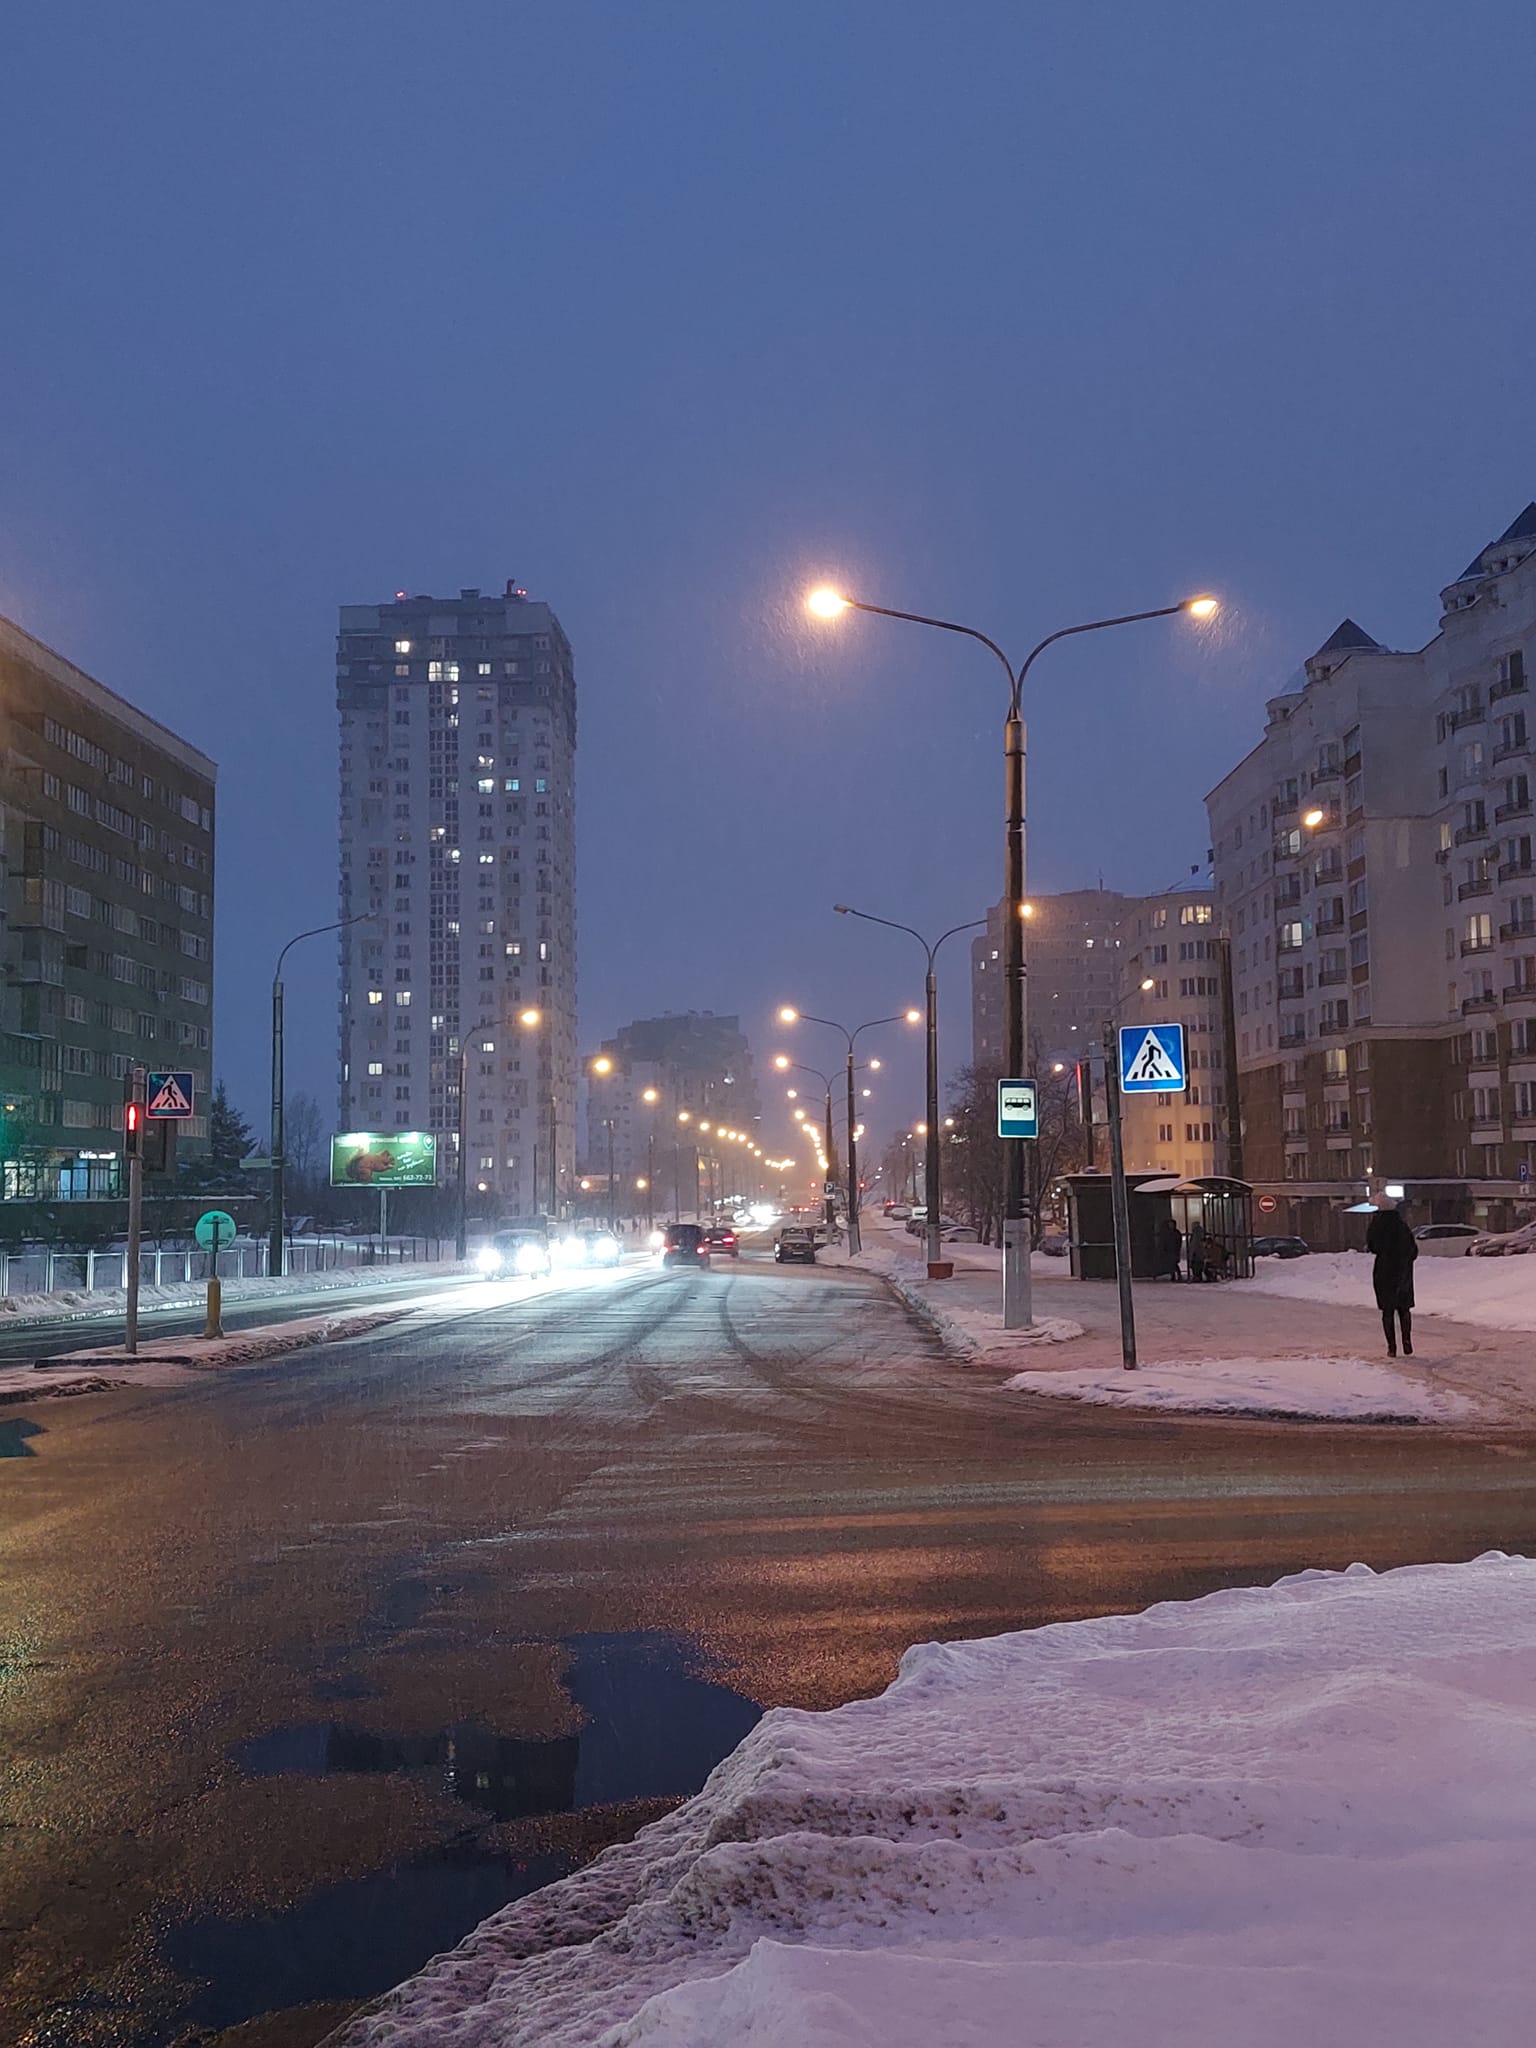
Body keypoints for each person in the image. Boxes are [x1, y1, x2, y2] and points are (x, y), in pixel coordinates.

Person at [1365, 1198, 1417, 1357]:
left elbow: (1372, 1246)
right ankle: (1407, 1343)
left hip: (1384, 1272)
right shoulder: (1402, 1226)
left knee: (1387, 1311)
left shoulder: (1376, 1226)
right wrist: (1405, 1260)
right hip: (1403, 1271)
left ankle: (1392, 1347)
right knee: (1404, 1309)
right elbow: (1413, 1249)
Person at [1157, 1216, 1183, 1281]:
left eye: (1171, 1224)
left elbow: (1178, 1242)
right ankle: (1174, 1275)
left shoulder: (1176, 1233)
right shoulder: (1168, 1233)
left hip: (1174, 1250)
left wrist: (1177, 1249)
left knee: (1174, 1264)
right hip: (1169, 1251)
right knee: (1171, 1264)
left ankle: (1177, 1275)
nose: (1170, 1226)